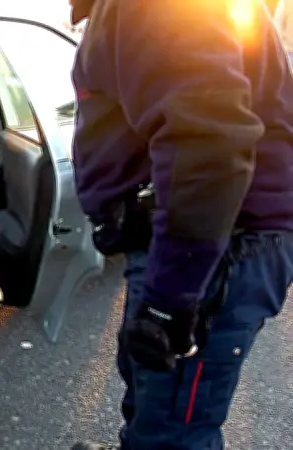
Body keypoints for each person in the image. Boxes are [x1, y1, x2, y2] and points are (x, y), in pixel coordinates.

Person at [68, 0, 293, 449]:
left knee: (173, 432)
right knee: (153, 400)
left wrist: (169, 302)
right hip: (199, 248)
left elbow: (208, 148)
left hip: (218, 250)